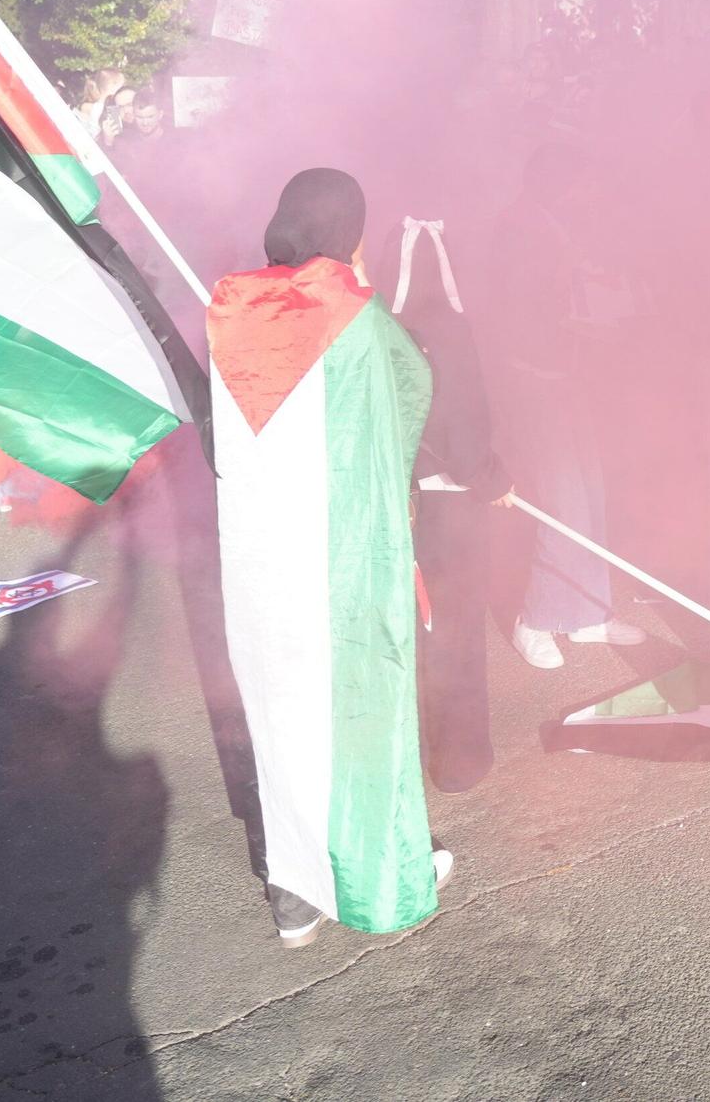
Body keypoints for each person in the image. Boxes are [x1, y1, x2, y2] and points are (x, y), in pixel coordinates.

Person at [208, 168, 452, 949]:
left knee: (282, 710)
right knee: (361, 707)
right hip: (345, 553)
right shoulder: (353, 313)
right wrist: (366, 294)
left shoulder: (234, 306)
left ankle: (293, 896)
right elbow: (414, 384)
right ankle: (380, 867)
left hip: (262, 555)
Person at [488, 144, 644, 670]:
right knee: (564, 504)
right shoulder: (517, 229)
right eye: (581, 184)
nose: (589, 194)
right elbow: (518, 311)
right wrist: (580, 326)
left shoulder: (553, 224)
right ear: (554, 183)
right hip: (534, 379)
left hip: (566, 375)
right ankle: (536, 619)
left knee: (591, 496)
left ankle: (587, 613)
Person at [384, 212, 512, 794]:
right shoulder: (443, 328)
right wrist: (493, 479)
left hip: (397, 502)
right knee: (456, 632)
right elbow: (460, 429)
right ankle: (460, 760)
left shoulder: (380, 325)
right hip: (449, 509)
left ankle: (408, 756)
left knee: (414, 630)